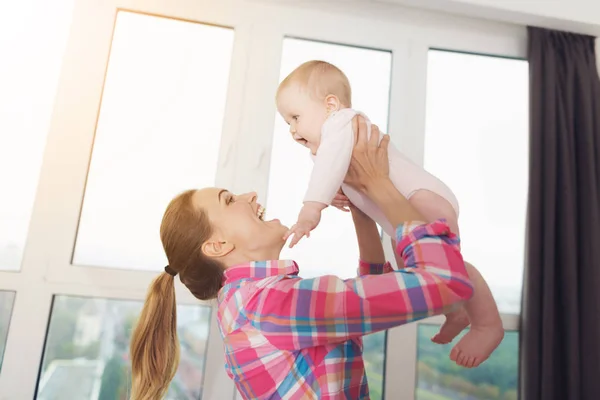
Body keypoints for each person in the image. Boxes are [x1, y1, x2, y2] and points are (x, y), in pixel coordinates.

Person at [129, 118, 474, 400]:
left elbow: (361, 302)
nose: (250, 195)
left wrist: (360, 205)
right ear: (216, 245)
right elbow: (445, 282)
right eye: (229, 200)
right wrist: (379, 183)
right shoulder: (271, 305)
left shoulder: (248, 303)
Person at [276, 60, 504, 368]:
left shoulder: (342, 121)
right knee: (417, 267)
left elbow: (330, 165)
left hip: (422, 197)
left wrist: (311, 209)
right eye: (287, 122)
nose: (291, 129)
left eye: (295, 117)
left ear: (330, 104)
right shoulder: (328, 142)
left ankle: (487, 325)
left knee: (450, 263)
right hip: (401, 210)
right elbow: (337, 172)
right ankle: (455, 311)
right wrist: (344, 196)